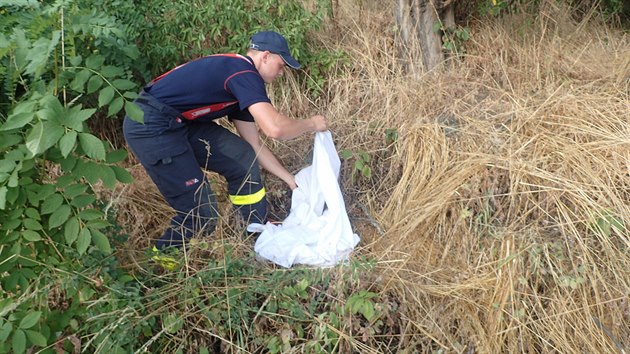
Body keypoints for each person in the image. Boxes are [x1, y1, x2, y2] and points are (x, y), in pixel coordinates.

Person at [123, 31, 328, 250]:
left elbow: (254, 145)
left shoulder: (242, 80)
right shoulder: (242, 73)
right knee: (202, 213)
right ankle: (163, 261)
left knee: (242, 157)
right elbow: (275, 129)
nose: (281, 73)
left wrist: (290, 180)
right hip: (151, 125)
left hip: (180, 123)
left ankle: (253, 231)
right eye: (281, 65)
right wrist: (312, 124)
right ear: (265, 56)